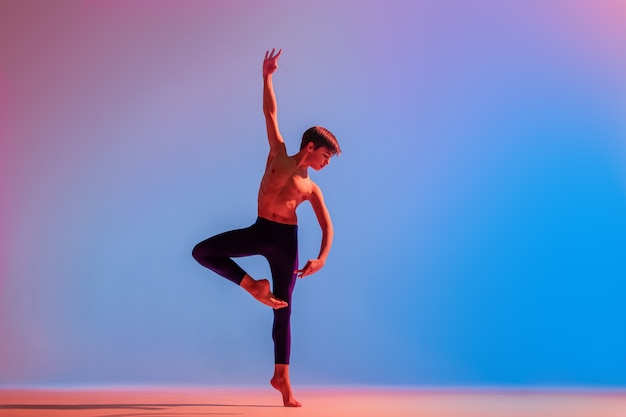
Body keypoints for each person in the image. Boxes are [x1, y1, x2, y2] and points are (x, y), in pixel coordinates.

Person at [192, 48, 340, 407]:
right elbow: (270, 112)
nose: (326, 163)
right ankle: (251, 285)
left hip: (285, 241)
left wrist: (321, 258)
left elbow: (326, 226)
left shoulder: (311, 188)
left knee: (284, 307)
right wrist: (267, 77)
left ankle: (282, 379)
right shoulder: (278, 153)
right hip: (261, 230)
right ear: (310, 147)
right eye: (325, 156)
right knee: (202, 252)